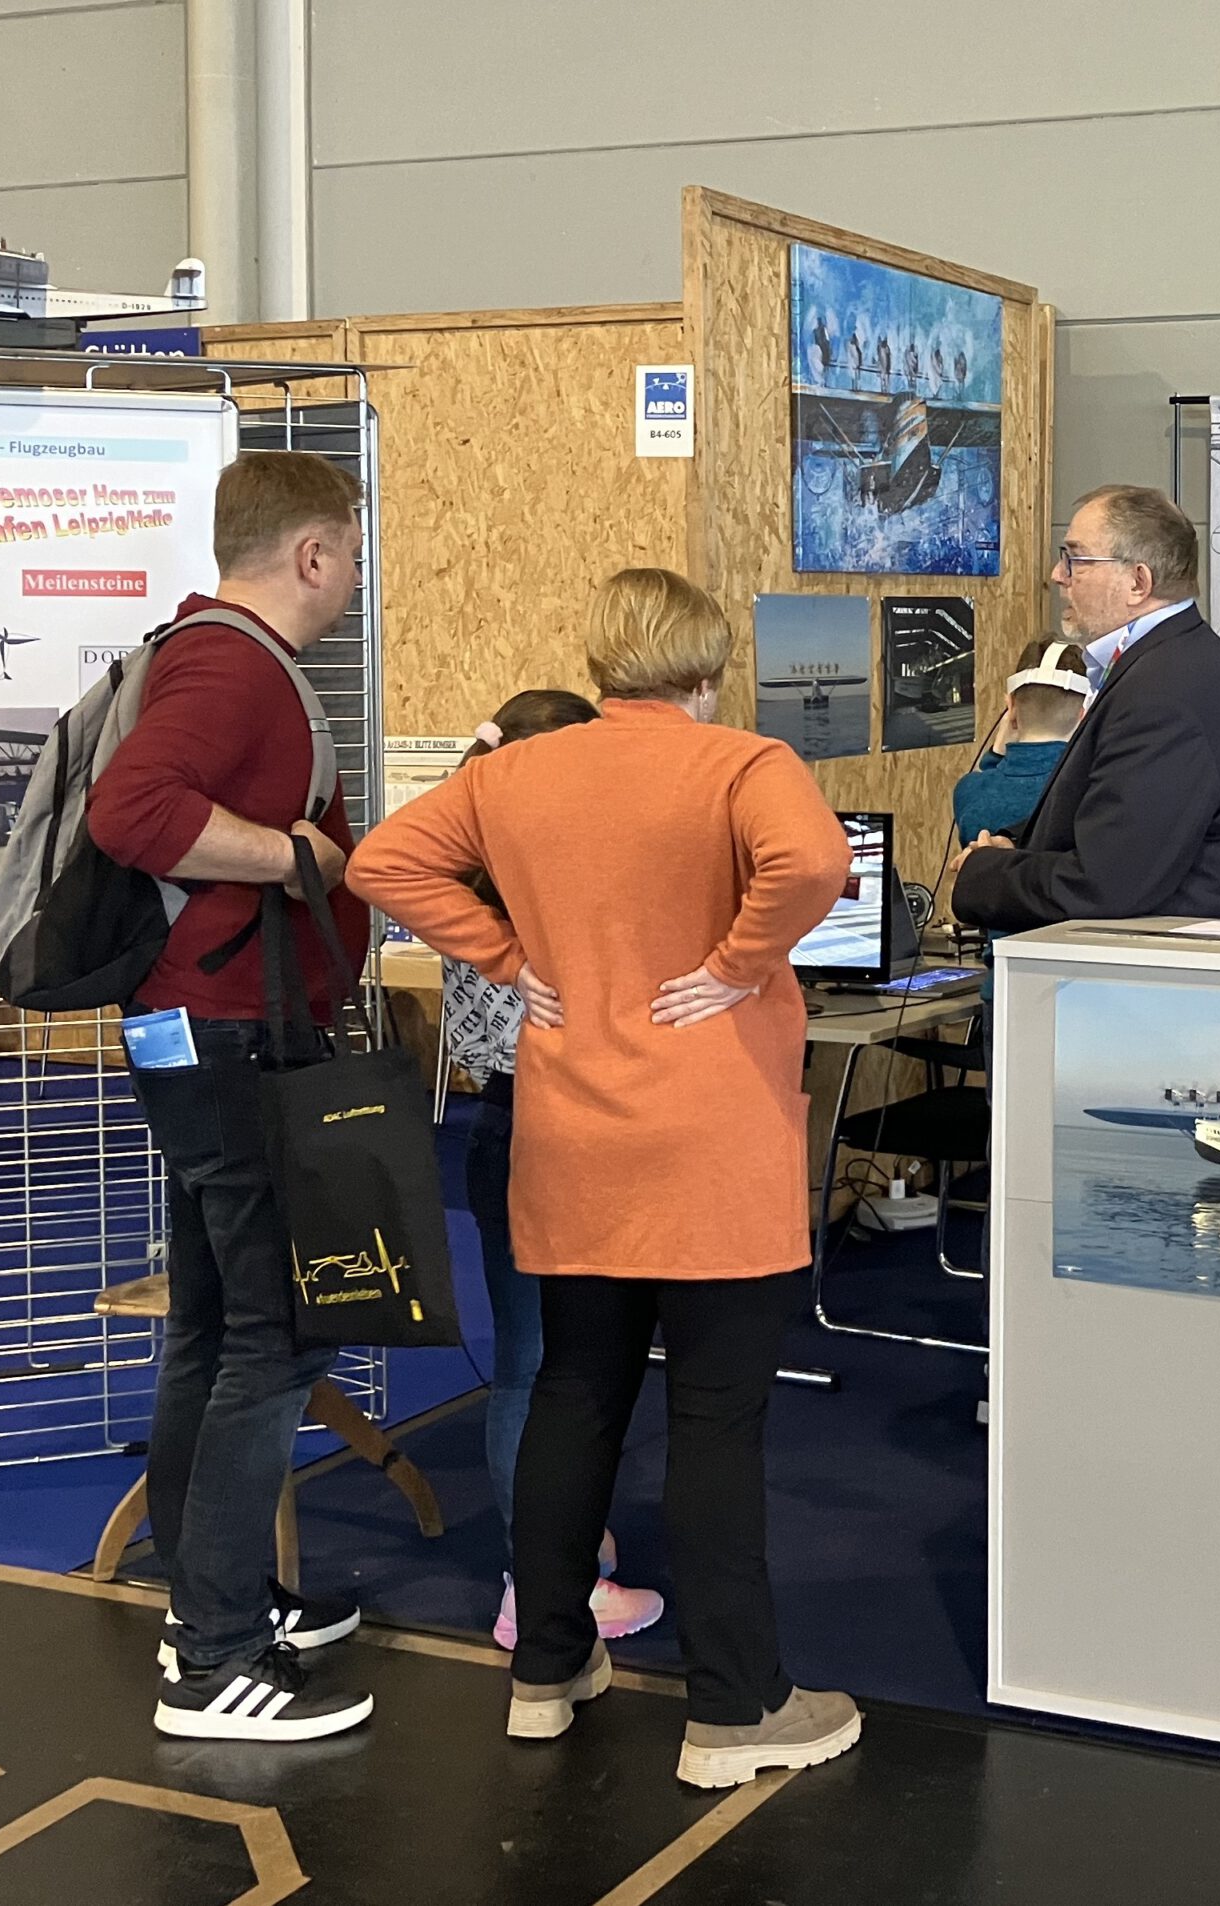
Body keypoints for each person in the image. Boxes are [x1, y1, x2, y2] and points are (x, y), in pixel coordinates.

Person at [348, 568, 862, 1789]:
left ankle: (547, 1669)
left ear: (600, 661)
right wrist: (737, 964)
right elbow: (813, 862)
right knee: (715, 1418)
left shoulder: (518, 772)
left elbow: (381, 861)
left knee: (572, 1392)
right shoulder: (742, 763)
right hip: (714, 1140)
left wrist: (506, 954)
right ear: (708, 667)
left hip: (573, 1135)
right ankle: (735, 1706)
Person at [86, 450, 376, 1741]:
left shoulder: (206, 652)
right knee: (275, 1337)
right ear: (311, 552)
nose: (354, 574)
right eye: (351, 550)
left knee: (215, 1326)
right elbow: (131, 810)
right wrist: (296, 854)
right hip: (228, 1036)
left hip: (202, 1032)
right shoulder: (231, 663)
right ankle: (211, 1655)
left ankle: (210, 1599)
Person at [440, 689, 666, 1651]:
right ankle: (547, 1583)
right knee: (555, 1369)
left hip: (497, 1123)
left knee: (531, 1366)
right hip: (565, 1126)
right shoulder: (552, 875)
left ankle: (544, 1564)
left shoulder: (466, 867)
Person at [950, 485, 1220, 931]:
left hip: (1158, 967)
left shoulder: (1167, 691)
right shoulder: (1169, 667)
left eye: (1075, 559)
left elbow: (1109, 883)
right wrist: (1014, 847)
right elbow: (1111, 818)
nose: (1057, 575)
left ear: (1138, 582)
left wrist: (983, 874)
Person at [950, 636, 1090, 847]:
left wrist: (995, 754)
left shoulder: (969, 791)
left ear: (1010, 706)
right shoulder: (1093, 788)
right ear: (1085, 713)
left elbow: (989, 783)